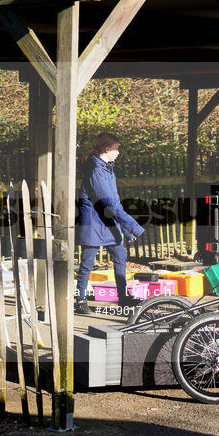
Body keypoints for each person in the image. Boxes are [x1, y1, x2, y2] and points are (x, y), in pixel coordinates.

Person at [75, 133, 144, 314]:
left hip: (108, 222)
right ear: (107, 149)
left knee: (120, 258)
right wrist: (134, 227)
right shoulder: (97, 171)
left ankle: (123, 297)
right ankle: (80, 300)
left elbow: (115, 203)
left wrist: (128, 231)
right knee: (87, 264)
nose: (118, 153)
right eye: (117, 148)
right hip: (93, 223)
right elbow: (110, 205)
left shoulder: (107, 169)